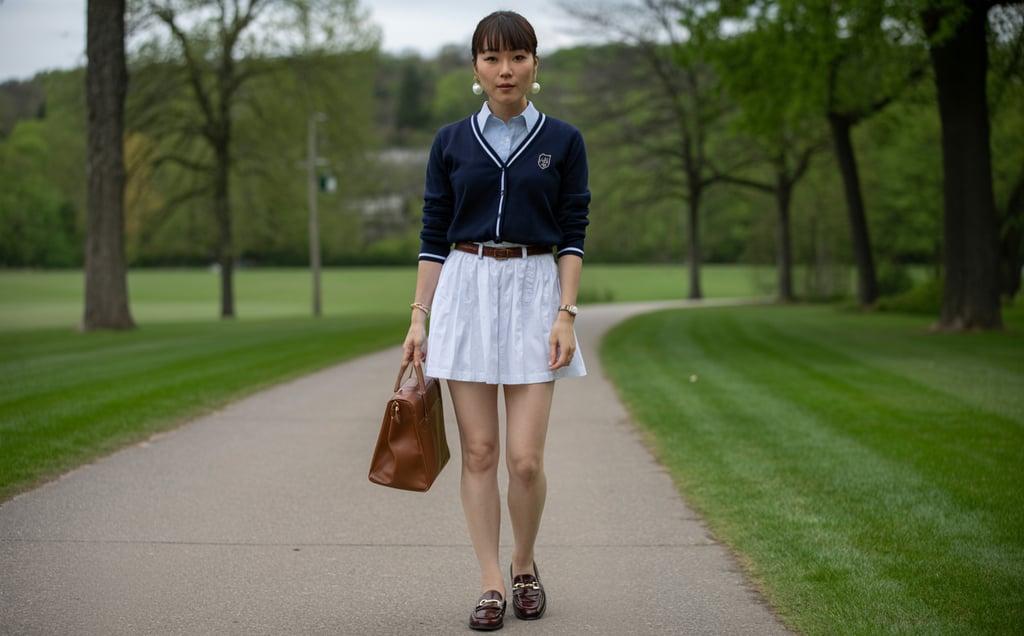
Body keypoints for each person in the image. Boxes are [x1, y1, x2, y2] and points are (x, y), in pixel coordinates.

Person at [401, 10, 590, 632]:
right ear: (475, 68)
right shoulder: (450, 141)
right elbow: (433, 235)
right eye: (490, 58)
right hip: (468, 288)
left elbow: (573, 233)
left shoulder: (564, 141)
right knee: (479, 451)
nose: (504, 70)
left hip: (537, 292)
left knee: (524, 459)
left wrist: (566, 314)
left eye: (516, 57)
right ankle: (489, 584)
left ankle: (525, 565)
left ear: (536, 65)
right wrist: (419, 319)